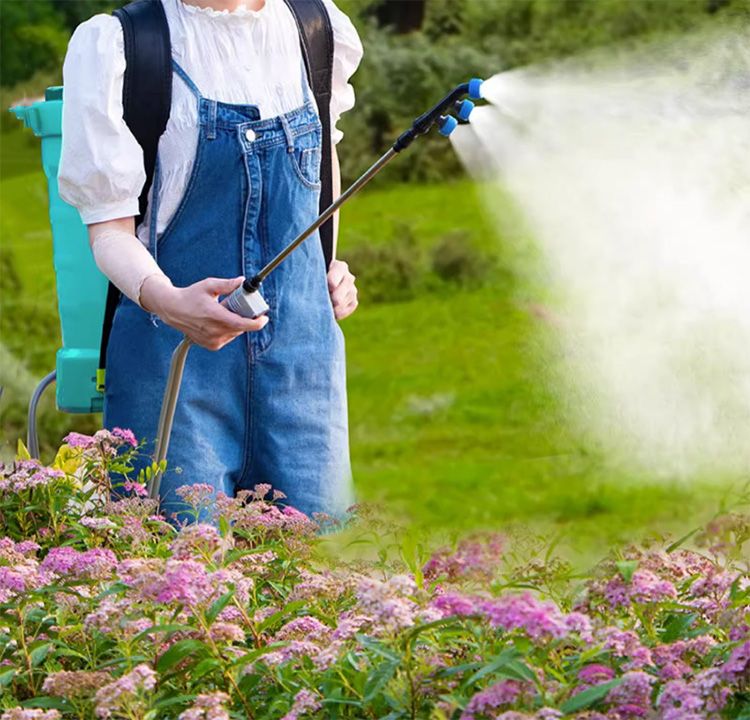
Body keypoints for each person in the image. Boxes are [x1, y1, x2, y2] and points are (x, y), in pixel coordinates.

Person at [58, 0, 363, 522]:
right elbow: (109, 231)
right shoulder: (124, 45)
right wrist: (172, 303)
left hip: (302, 371)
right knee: (177, 580)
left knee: (322, 574)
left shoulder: (316, 26)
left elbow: (322, 169)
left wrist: (326, 262)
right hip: (173, 364)